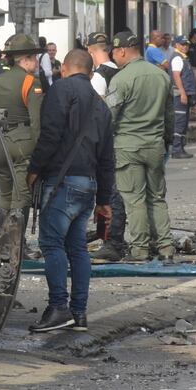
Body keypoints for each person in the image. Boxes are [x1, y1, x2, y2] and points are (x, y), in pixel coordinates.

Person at [25, 49, 115, 333]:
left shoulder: (60, 90)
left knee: (51, 244)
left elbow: (50, 134)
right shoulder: (101, 106)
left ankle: (58, 307)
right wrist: (104, 200)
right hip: (88, 185)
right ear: (90, 72)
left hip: (61, 182)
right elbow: (107, 158)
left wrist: (34, 168)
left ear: (64, 68)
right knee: (77, 248)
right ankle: (79, 312)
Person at [106, 31, 175, 261]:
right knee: (156, 197)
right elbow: (169, 115)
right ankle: (165, 247)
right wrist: (166, 140)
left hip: (127, 147)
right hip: (155, 145)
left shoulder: (121, 79)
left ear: (122, 51)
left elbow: (110, 115)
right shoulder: (161, 76)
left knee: (135, 200)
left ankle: (140, 249)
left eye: (114, 53)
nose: (113, 57)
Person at [85, 32, 128, 262]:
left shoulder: (99, 77)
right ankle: (111, 238)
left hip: (106, 141)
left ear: (91, 51)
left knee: (109, 192)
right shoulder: (122, 71)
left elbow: (98, 114)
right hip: (123, 137)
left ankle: (111, 241)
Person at [0, 33, 45, 213]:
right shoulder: (31, 82)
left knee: (4, 196)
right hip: (23, 145)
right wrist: (40, 154)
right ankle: (15, 240)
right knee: (21, 195)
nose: (36, 62)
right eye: (34, 58)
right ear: (25, 59)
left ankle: (1, 235)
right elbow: (36, 122)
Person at [167, 35, 196, 159]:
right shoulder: (177, 58)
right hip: (179, 95)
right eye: (182, 44)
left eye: (186, 45)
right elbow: (176, 76)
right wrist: (183, 93)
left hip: (184, 94)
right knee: (179, 122)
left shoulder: (183, 58)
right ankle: (176, 149)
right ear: (177, 45)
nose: (185, 47)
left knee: (183, 123)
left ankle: (181, 148)